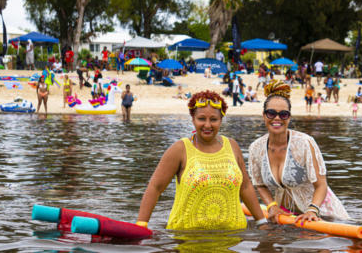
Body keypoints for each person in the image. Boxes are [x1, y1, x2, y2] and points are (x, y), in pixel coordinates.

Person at [136, 90, 267, 230]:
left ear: (221, 120)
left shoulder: (232, 146)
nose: (207, 125)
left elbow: (245, 187)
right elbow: (155, 188)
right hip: (186, 237)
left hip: (233, 237)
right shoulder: (180, 149)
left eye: (214, 119)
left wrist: (261, 222)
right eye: (202, 119)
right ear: (193, 119)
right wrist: (141, 225)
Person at [248, 80, 349, 225]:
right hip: (287, 216)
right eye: (271, 113)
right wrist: (272, 206)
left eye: (283, 114)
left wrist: (312, 210)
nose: (277, 118)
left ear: (289, 117)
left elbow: (321, 185)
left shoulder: (304, 143)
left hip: (323, 215)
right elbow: (260, 184)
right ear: (264, 115)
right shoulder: (255, 148)